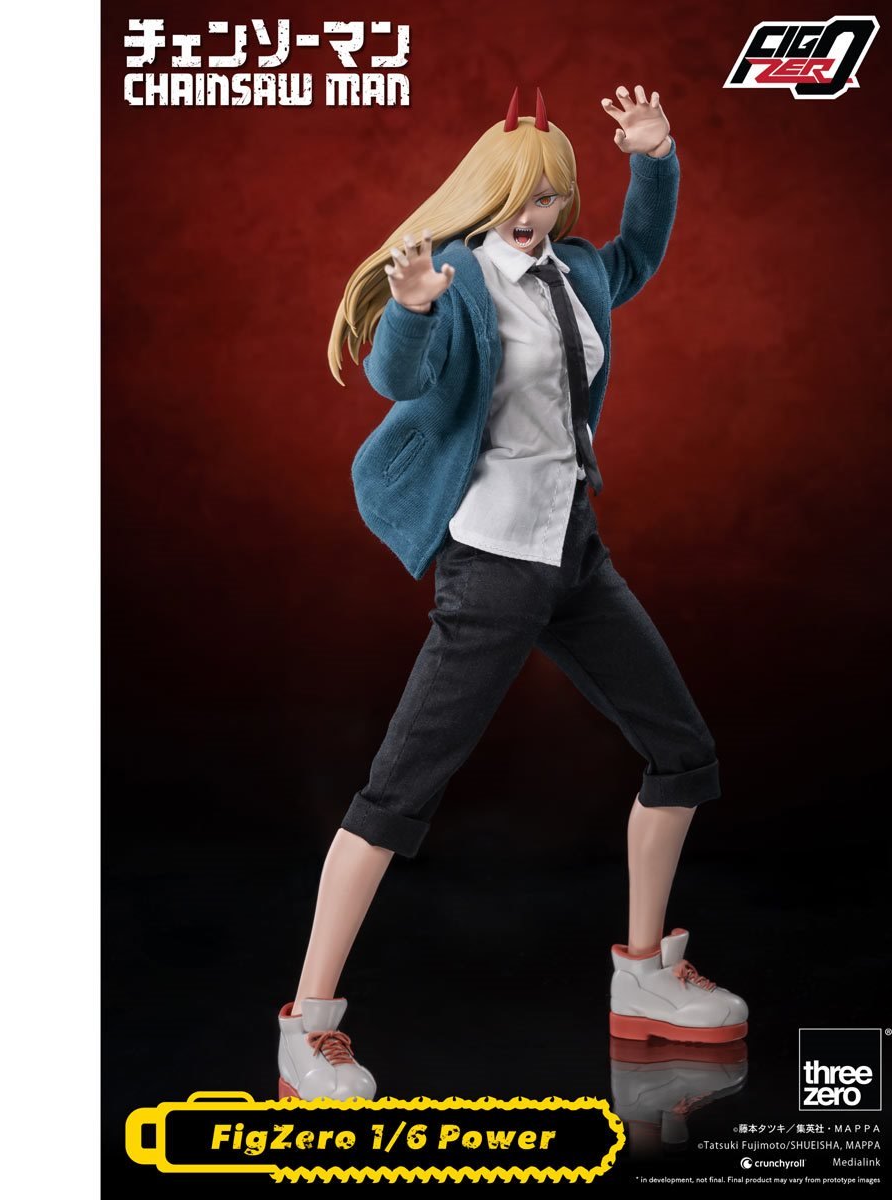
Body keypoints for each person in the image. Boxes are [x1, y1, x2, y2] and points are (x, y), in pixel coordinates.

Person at [276, 85, 748, 1103]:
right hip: (491, 565)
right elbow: (403, 377)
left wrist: (655, 159)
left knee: (683, 752)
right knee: (397, 795)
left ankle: (643, 978)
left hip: (574, 554)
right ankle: (307, 1028)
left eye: (552, 195)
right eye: (521, 196)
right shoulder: (459, 280)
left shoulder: (577, 270)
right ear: (489, 195)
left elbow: (640, 254)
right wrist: (410, 307)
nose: (536, 213)